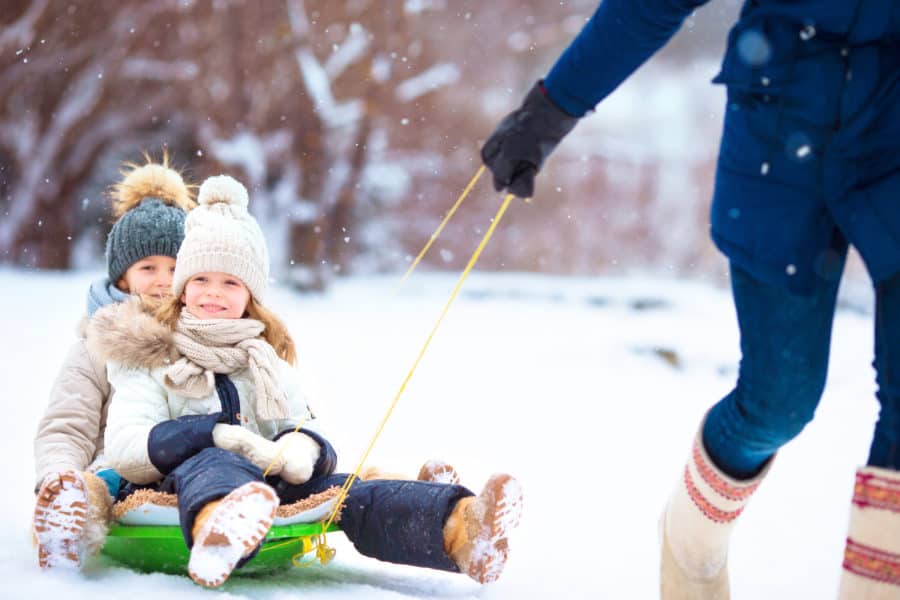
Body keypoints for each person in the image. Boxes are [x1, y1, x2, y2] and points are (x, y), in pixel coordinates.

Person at [480, 2, 900, 598]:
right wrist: (551, 109)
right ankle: (690, 548)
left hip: (894, 122)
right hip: (783, 118)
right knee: (779, 400)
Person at [88, 175, 524, 588]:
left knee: (353, 493)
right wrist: (218, 435)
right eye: (200, 279)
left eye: (230, 282)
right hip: (175, 484)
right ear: (183, 289)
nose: (213, 292)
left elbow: (305, 424)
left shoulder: (264, 359)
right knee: (214, 460)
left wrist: (301, 450)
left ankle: (461, 529)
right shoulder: (149, 354)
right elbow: (127, 447)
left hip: (269, 487)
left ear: (250, 295)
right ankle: (219, 532)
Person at [32, 154, 195, 569]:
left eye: (175, 267)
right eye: (148, 267)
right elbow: (67, 422)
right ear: (122, 277)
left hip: (191, 470)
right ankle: (70, 513)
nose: (163, 279)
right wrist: (57, 474)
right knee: (99, 484)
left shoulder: (206, 333)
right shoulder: (97, 342)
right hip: (117, 469)